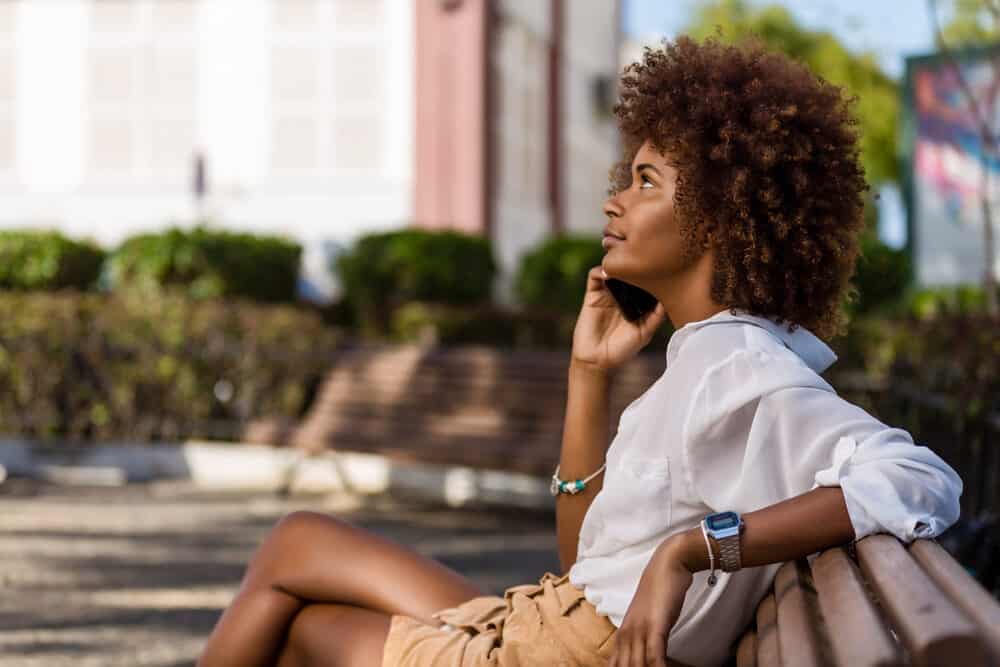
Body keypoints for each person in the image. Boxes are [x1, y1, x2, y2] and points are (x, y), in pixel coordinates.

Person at [197, 35, 962, 667]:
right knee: (299, 543)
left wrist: (692, 552)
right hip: (549, 623)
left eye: (646, 180)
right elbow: (584, 562)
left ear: (720, 221)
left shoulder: (738, 368)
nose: (614, 199)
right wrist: (587, 374)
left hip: (555, 651)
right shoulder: (704, 358)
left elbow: (917, 478)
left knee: (298, 622)